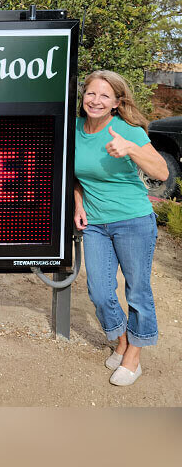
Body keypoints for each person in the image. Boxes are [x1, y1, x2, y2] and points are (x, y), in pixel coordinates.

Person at [74, 70, 168, 386]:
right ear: (83, 95)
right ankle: (122, 340)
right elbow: (73, 175)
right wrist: (78, 203)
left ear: (116, 103)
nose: (96, 100)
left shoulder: (127, 131)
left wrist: (131, 149)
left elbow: (162, 172)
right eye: (91, 93)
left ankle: (133, 357)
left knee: (137, 290)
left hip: (133, 221)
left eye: (104, 96)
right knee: (99, 291)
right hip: (96, 224)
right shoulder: (73, 129)